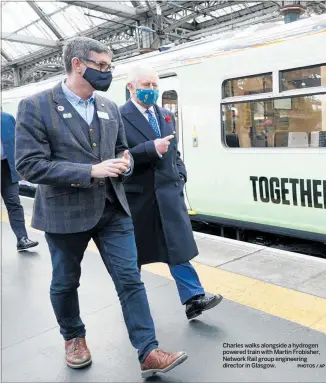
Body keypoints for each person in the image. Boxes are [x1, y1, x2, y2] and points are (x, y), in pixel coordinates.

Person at [14, 36, 187, 378]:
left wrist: (126, 162)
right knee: (66, 281)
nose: (108, 73)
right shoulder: (35, 106)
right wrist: (89, 171)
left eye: (110, 67)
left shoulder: (108, 107)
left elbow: (124, 151)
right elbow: (28, 166)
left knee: (130, 280)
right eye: (102, 66)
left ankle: (148, 350)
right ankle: (74, 337)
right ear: (78, 65)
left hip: (113, 209)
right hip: (65, 213)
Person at [120, 66, 222, 320]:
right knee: (136, 253)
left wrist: (181, 174)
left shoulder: (165, 115)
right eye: (146, 85)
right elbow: (117, 157)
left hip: (168, 194)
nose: (151, 90)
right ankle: (132, 302)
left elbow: (174, 152)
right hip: (138, 197)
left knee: (176, 246)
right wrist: (149, 149)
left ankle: (193, 298)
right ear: (131, 87)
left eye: (155, 85)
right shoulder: (118, 117)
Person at [1, 110, 39, 251]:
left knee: (14, 203)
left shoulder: (7, 118)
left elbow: (20, 143)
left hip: (6, 168)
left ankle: (22, 239)